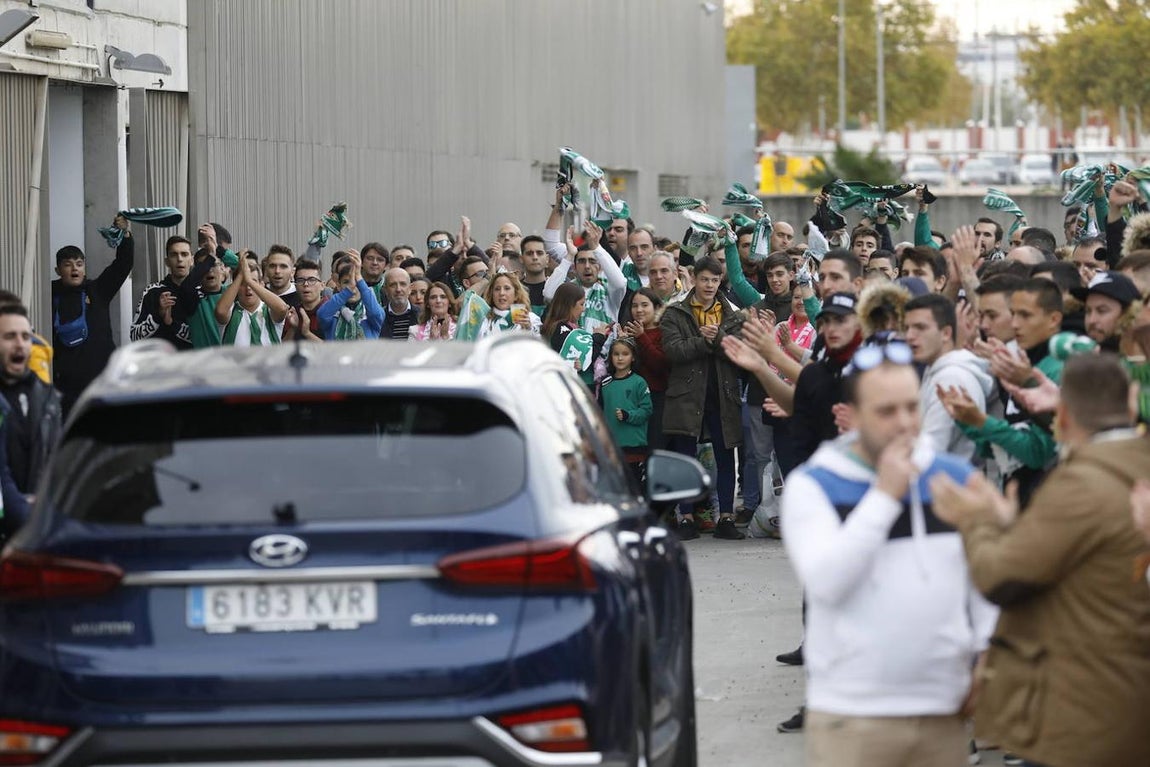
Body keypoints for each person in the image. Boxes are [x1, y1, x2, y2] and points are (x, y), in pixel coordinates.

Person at [931, 353, 1150, 767]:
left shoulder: (1078, 486)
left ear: (1062, 416)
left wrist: (979, 523)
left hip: (1090, 709)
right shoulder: (1137, 464)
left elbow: (999, 577)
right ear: (1131, 400)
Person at [783, 341, 995, 767]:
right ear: (852, 416)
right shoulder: (814, 485)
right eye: (886, 411)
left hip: (942, 713)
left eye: (910, 407)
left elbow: (984, 579)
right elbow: (827, 581)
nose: (903, 424)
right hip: (853, 715)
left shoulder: (954, 477)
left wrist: (987, 653)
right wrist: (885, 496)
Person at [941, 279, 1064, 506]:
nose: (1016, 324)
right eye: (1014, 314)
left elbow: (1037, 452)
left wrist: (979, 421)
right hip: (1017, 496)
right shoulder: (1018, 363)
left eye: (1025, 316)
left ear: (1053, 319)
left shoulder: (1056, 370)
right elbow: (1003, 447)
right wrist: (966, 418)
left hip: (1047, 500)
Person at [660, 256, 746, 541]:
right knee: (685, 455)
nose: (709, 285)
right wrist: (704, 340)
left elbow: (739, 352)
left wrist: (718, 338)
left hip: (723, 393)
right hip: (686, 395)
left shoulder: (732, 314)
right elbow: (674, 351)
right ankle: (684, 517)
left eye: (715, 280)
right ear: (694, 279)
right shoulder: (675, 313)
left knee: (725, 455)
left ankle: (726, 517)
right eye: (704, 279)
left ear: (721, 281)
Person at [52, 216, 135, 415]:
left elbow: (123, 265)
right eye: (68, 265)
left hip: (101, 383)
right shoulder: (48, 294)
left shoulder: (97, 290)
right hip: (65, 388)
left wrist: (125, 235)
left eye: (79, 264)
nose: (74, 269)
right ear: (58, 270)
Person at [904, 294, 995, 464]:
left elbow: (929, 452)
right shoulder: (937, 371)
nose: (909, 336)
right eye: (907, 327)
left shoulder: (951, 379)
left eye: (920, 327)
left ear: (946, 333)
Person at [0, 304, 61, 499]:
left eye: (25, 337)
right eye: (10, 336)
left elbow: (53, 460)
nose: (19, 344)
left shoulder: (46, 398)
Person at [598, 338, 652, 486]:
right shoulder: (605, 383)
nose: (620, 358)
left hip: (634, 447)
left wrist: (629, 415)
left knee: (635, 488)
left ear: (633, 357)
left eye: (625, 354)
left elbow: (647, 410)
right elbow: (599, 414)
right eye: (616, 354)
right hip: (612, 447)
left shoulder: (639, 382)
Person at [622, 288, 669, 450]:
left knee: (654, 448)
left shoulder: (664, 332)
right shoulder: (627, 332)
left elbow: (660, 365)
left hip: (656, 399)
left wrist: (642, 337)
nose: (639, 310)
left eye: (644, 305)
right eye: (634, 306)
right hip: (631, 400)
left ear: (656, 307)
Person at [130, 235, 195, 349]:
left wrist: (173, 324)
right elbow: (134, 336)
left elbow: (209, 336)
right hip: (160, 364)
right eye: (174, 254)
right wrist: (157, 316)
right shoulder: (152, 291)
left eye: (184, 254)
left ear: (191, 260)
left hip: (194, 364)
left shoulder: (201, 292)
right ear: (167, 261)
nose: (179, 259)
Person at [543, 282, 608, 388]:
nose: (583, 309)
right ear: (569, 305)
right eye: (581, 304)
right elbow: (587, 356)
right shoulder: (559, 329)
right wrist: (599, 336)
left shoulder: (566, 326)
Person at [215, 258, 290, 346]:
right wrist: (241, 275)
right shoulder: (231, 311)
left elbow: (282, 309)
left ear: (261, 284)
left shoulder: (269, 310)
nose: (248, 288)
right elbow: (220, 311)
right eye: (243, 283)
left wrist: (249, 280)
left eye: (254, 282)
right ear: (236, 287)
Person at [317, 253, 384, 340]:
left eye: (357, 283)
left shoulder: (369, 311)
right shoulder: (333, 312)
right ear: (338, 285)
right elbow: (322, 315)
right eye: (346, 282)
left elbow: (377, 315)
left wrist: (359, 277)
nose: (353, 287)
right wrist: (347, 291)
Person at [477, 273, 541, 338]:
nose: (501, 293)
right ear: (492, 294)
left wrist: (528, 330)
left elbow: (539, 345)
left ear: (516, 295)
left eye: (507, 288)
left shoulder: (532, 319)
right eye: (497, 289)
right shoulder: (483, 321)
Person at [380, 267, 419, 340]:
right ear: (386, 290)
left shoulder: (421, 316)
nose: (398, 289)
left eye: (403, 284)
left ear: (410, 289)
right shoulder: (380, 317)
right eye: (393, 285)